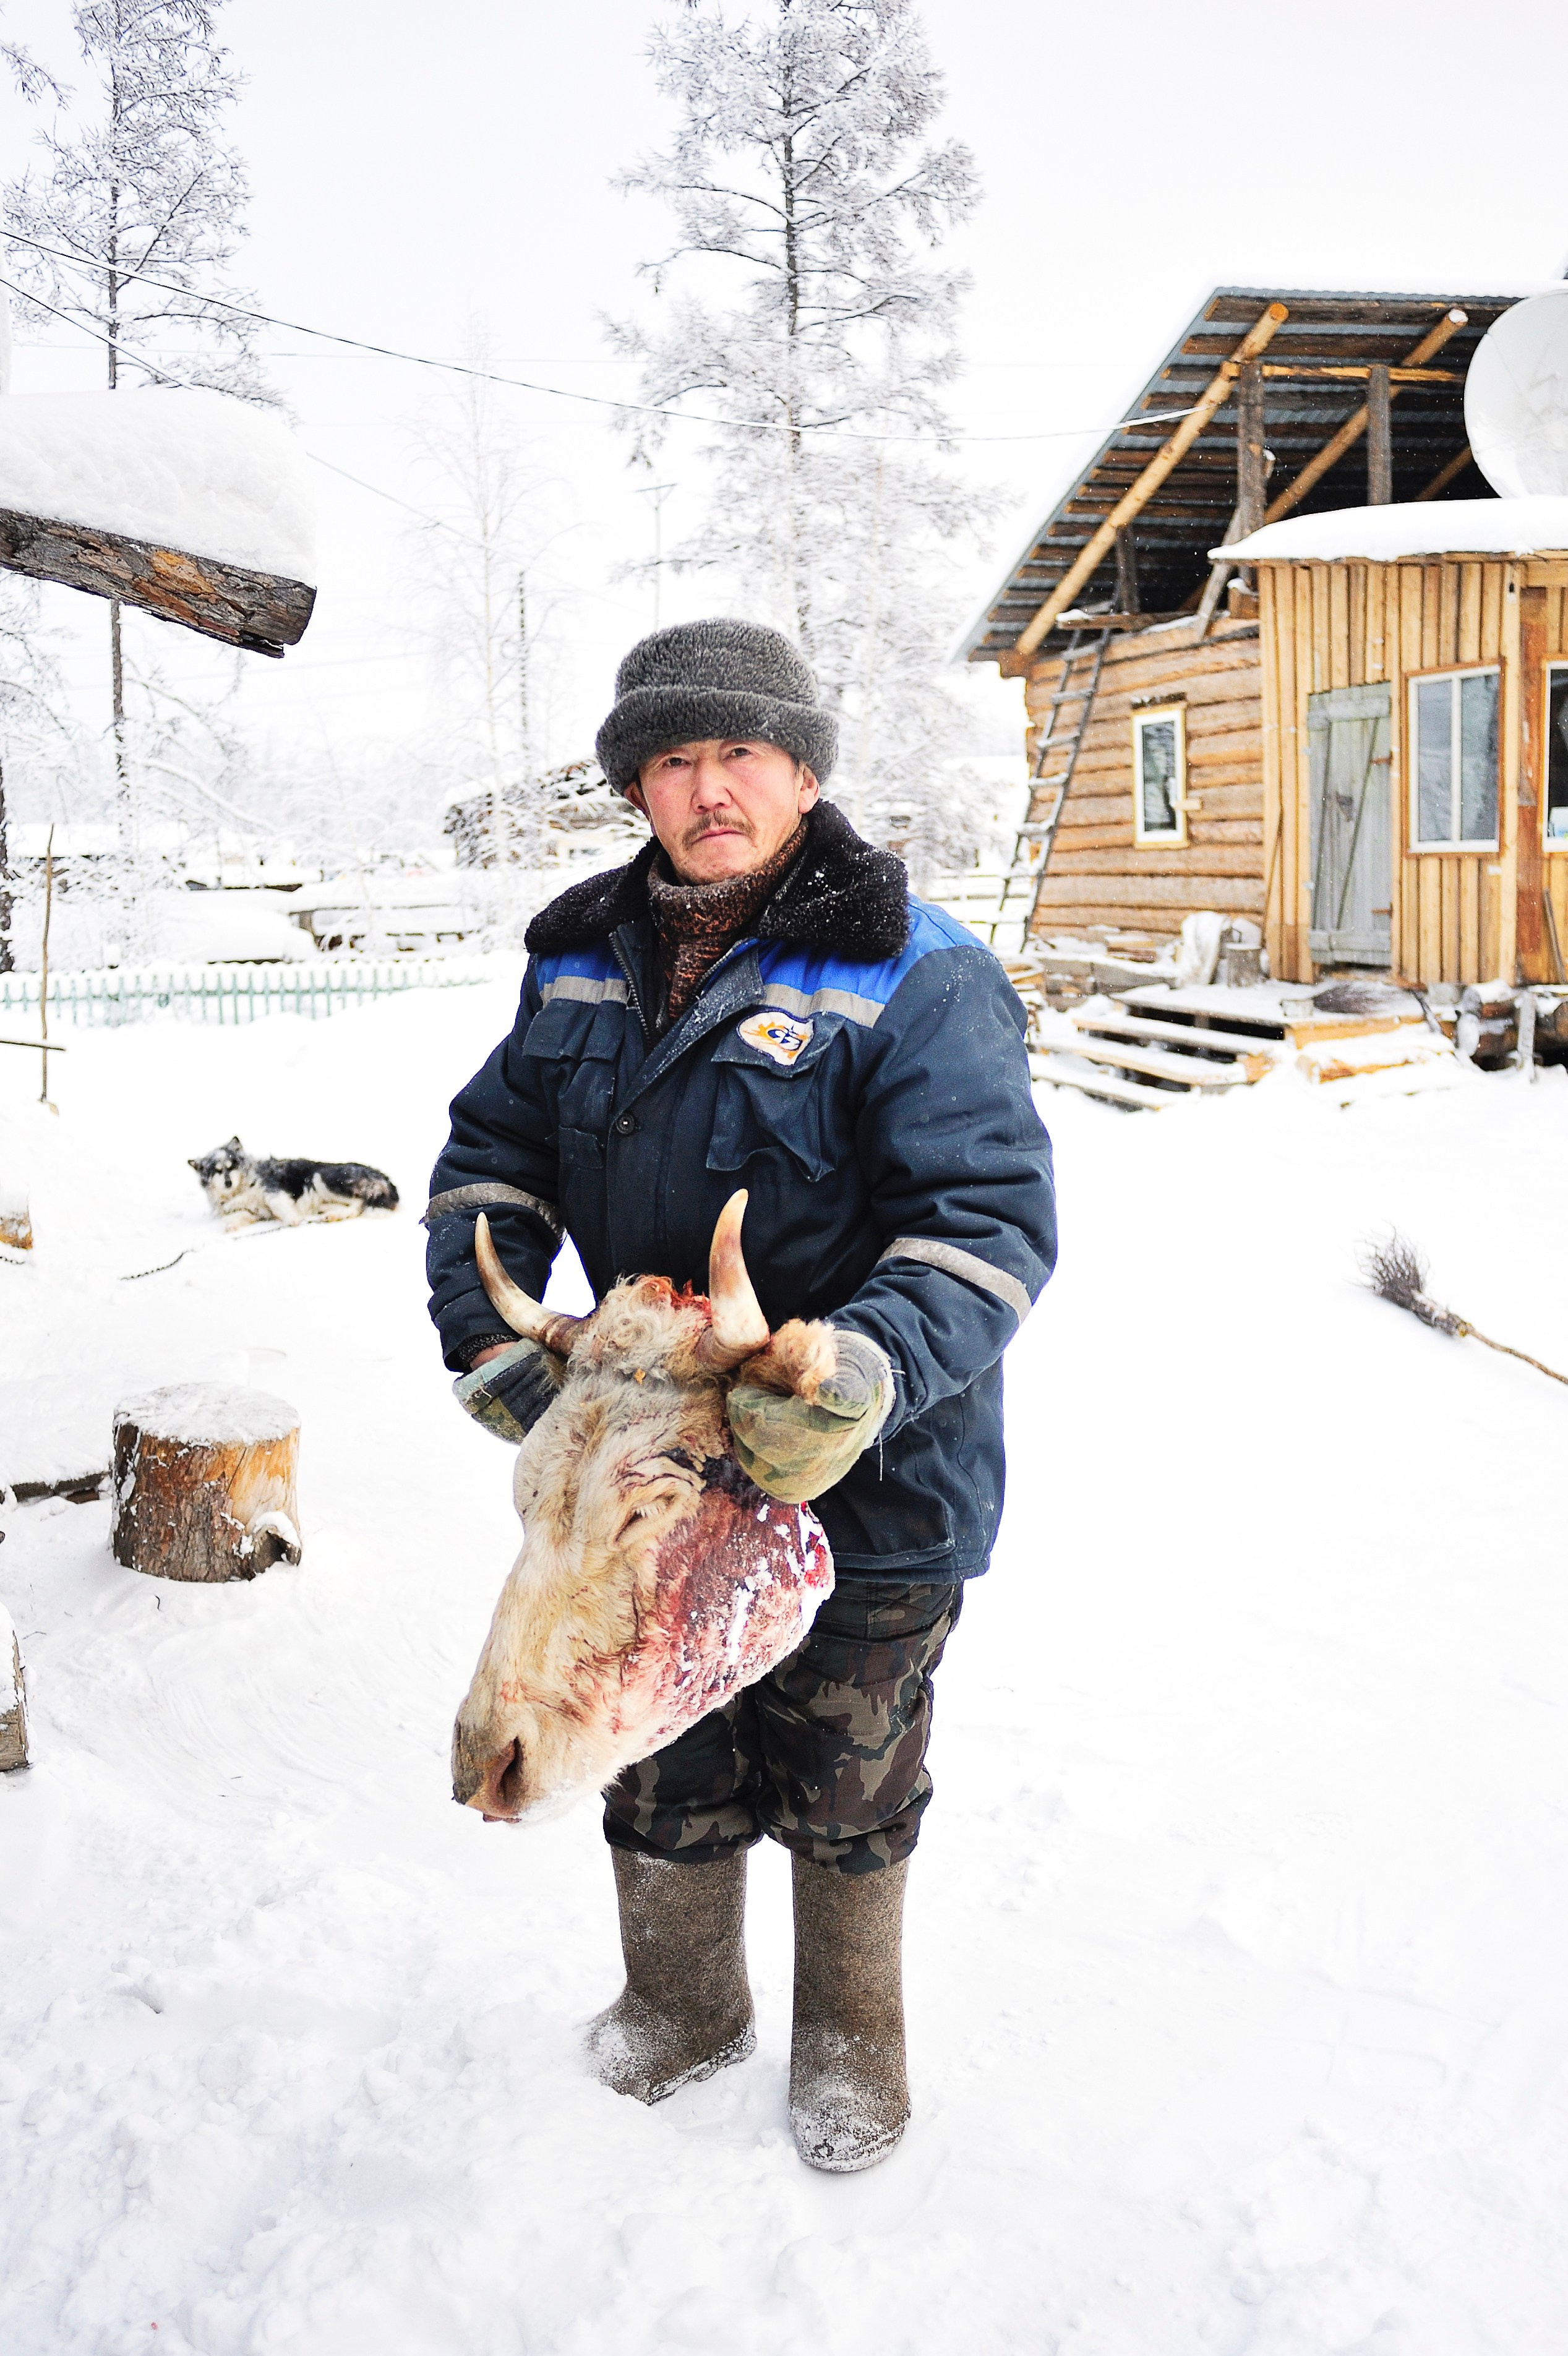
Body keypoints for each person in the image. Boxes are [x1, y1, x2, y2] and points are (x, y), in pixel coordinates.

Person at [426, 619, 1055, 2172]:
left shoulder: (917, 966)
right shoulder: (577, 952)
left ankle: (851, 2044)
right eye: (673, 760)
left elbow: (984, 1225)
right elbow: (488, 1167)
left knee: (849, 1764)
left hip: (867, 1467)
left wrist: (858, 1371)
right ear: (635, 784)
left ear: (805, 770)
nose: (709, 790)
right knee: (653, 1738)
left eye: (741, 755)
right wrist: (496, 1341)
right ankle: (682, 2004)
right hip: (638, 1465)